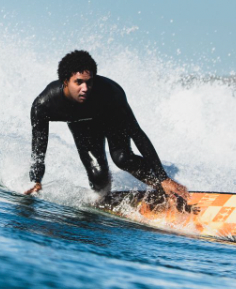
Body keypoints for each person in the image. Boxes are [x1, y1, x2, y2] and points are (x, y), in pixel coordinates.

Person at [23, 50, 190, 204]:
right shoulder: (44, 105)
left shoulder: (111, 92)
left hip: (111, 118)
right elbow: (39, 143)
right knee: (98, 179)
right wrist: (36, 179)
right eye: (78, 82)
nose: (85, 89)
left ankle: (165, 188)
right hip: (83, 127)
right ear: (65, 81)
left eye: (89, 82)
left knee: (123, 158)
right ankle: (105, 194)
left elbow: (136, 133)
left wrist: (163, 177)